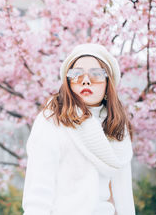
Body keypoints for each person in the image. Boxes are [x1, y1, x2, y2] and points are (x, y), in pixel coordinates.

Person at [22, 43, 135, 215]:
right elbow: (38, 190)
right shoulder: (52, 120)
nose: (86, 80)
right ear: (68, 82)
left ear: (108, 83)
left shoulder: (116, 126)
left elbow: (124, 195)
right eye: (76, 74)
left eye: (96, 74)